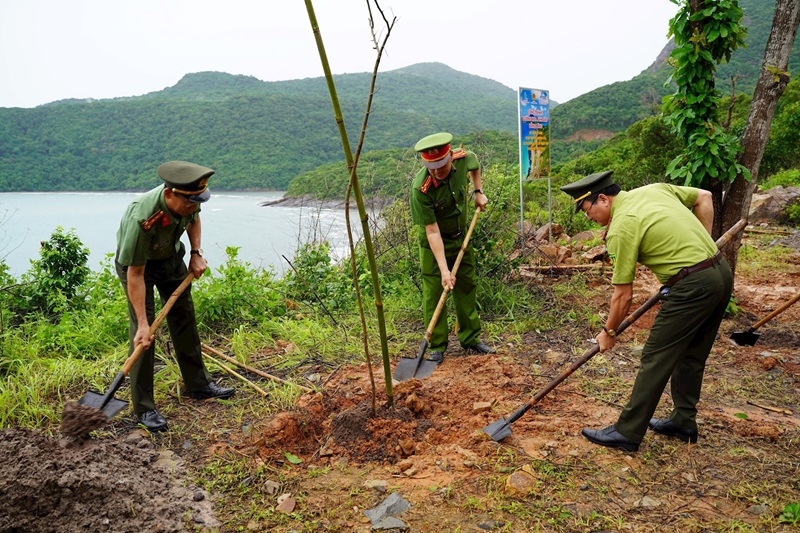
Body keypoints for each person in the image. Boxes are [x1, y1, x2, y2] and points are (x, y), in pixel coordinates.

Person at [559, 170, 733, 452]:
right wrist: (702, 245)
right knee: (692, 352)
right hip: (720, 272)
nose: (587, 217)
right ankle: (683, 421)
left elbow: (623, 296)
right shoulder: (653, 189)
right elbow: (704, 197)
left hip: (692, 286)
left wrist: (608, 332)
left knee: (655, 356)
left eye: (587, 209)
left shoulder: (621, 227)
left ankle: (627, 432)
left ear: (603, 199)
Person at [115, 160, 235, 432]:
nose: (194, 206)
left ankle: (199, 385)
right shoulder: (141, 218)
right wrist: (144, 323)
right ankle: (144, 408)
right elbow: (135, 274)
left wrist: (195, 252)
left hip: (169, 257)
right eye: (190, 202)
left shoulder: (188, 198)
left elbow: (193, 218)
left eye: (197, 202)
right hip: (138, 267)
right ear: (169, 194)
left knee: (184, 317)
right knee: (144, 336)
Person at [409, 132, 496, 363]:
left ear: (450, 156)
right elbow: (432, 231)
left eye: (441, 165)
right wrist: (444, 271)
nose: (437, 171)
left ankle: (470, 338)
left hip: (461, 239)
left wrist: (478, 192)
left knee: (466, 286)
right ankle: (436, 345)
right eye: (432, 167)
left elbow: (475, 165)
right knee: (435, 291)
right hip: (434, 244)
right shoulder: (421, 189)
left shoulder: (462, 158)